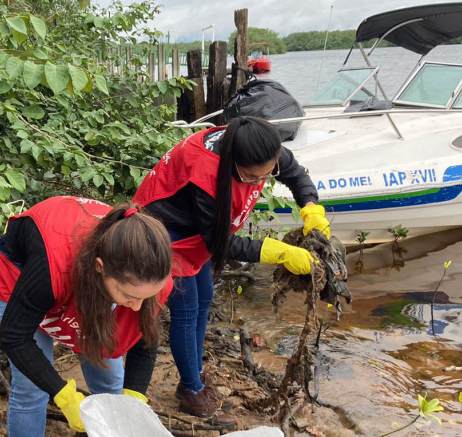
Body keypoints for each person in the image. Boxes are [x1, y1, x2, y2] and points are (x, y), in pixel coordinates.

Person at [134, 116, 330, 420]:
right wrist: (277, 252)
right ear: (233, 163)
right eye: (251, 177)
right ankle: (191, 391)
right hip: (164, 228)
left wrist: (311, 207)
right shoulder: (206, 172)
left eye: (267, 174)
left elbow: (295, 174)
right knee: (187, 308)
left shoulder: (262, 146)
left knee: (205, 297)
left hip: (197, 228)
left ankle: (193, 375)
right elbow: (219, 243)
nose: (259, 181)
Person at [0, 196, 173, 437]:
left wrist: (134, 396)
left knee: (111, 381)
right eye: (129, 296)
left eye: (146, 297)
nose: (137, 306)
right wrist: (62, 394)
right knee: (30, 389)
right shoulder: (53, 267)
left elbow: (145, 335)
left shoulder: (147, 276)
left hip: (90, 283)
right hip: (26, 276)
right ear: (100, 268)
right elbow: (14, 336)